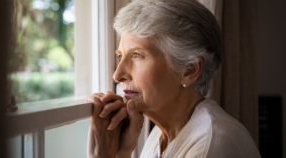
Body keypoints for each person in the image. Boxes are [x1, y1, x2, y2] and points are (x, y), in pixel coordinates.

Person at [86, 0, 261, 157]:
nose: (117, 75)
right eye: (120, 56)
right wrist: (122, 153)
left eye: (137, 55)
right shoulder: (160, 135)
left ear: (189, 69)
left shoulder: (212, 144)